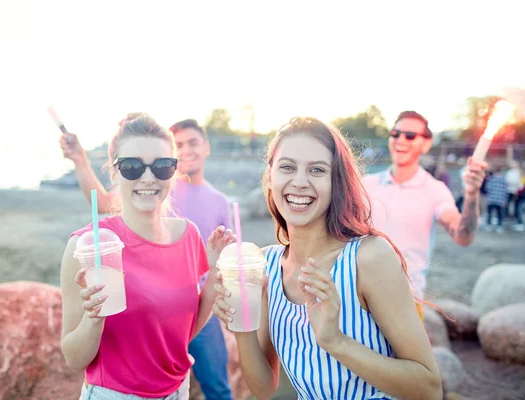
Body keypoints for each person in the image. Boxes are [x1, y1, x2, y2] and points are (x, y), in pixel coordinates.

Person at [213, 117, 443, 399]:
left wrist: (336, 342)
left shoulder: (368, 259)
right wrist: (241, 324)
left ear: (336, 183)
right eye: (287, 167)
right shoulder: (266, 266)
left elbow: (429, 387)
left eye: (317, 170)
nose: (299, 182)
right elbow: (264, 387)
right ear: (270, 176)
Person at [59, 114, 234, 399]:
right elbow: (74, 360)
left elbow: (183, 335)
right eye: (132, 167)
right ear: (114, 172)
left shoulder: (189, 235)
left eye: (162, 166)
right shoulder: (86, 246)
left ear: (174, 172)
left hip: (178, 390)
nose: (148, 177)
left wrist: (215, 273)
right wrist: (94, 317)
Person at [363, 111, 486, 316]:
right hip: (358, 296)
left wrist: (472, 194)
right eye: (395, 133)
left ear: (426, 144)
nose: (400, 139)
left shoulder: (435, 190)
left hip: (405, 302)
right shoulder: (366, 184)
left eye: (410, 136)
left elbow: (463, 237)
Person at [485, 166, 509, 232]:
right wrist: (505, 200)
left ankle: (489, 225)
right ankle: (499, 226)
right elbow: (506, 191)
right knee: (499, 214)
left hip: (491, 199)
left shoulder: (491, 179)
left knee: (490, 213)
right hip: (500, 200)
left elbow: (487, 188)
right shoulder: (504, 180)